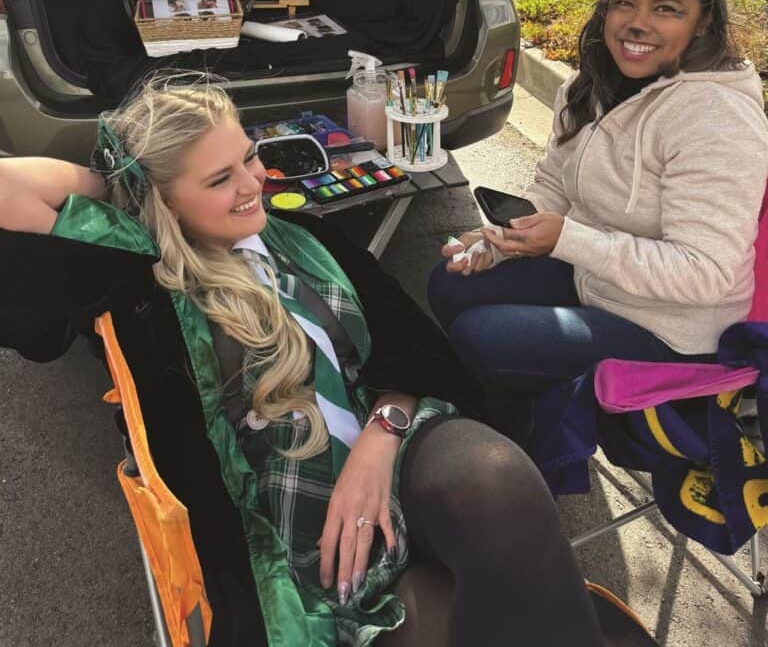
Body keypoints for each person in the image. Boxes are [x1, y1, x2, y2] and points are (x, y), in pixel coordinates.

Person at [0, 73, 658, 647]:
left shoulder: (306, 235)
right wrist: (119, 182)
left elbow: (416, 348)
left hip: (391, 435)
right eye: (219, 178)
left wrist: (384, 434)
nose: (253, 183)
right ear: (164, 199)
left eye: (249, 158)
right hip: (290, 507)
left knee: (496, 478)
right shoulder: (138, 280)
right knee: (437, 614)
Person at [428, 0, 768, 432]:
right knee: (451, 284)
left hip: (676, 331)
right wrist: (502, 239)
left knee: (484, 335)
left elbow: (706, 273)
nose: (637, 24)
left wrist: (567, 239)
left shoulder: (717, 118)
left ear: (701, 24)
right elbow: (554, 185)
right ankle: (516, 416)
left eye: (666, 9)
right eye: (624, 3)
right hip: (601, 284)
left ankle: (513, 466)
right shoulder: (592, 85)